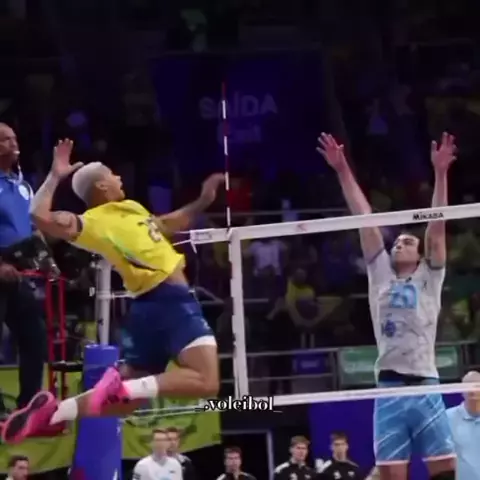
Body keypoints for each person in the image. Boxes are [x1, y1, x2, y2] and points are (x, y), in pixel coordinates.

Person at [1, 139, 223, 444]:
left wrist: (202, 201)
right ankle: (120, 387)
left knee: (125, 402)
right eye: (113, 174)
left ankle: (52, 414)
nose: (119, 177)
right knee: (207, 381)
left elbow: (163, 224)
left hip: (145, 309)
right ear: (102, 186)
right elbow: (40, 217)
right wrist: (55, 175)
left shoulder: (131, 208)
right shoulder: (92, 222)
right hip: (169, 301)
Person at [317, 132, 457, 480]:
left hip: (426, 385)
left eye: (408, 242)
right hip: (390, 388)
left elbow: (437, 228)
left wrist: (440, 173)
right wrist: (342, 169)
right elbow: (364, 218)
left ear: (420, 255)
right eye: (397, 242)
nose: (399, 244)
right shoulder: (380, 273)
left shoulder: (429, 277)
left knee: (445, 473)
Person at [0, 123, 46, 412]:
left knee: (34, 338)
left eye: (14, 138)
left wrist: (46, 260)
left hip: (21, 268)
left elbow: (32, 227)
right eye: (5, 139)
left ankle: (28, 407)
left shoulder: (23, 185)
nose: (13, 143)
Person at [446, 371, 480, 479]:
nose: (473, 391)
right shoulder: (446, 418)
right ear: (461, 391)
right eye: (468, 387)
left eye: (477, 386)